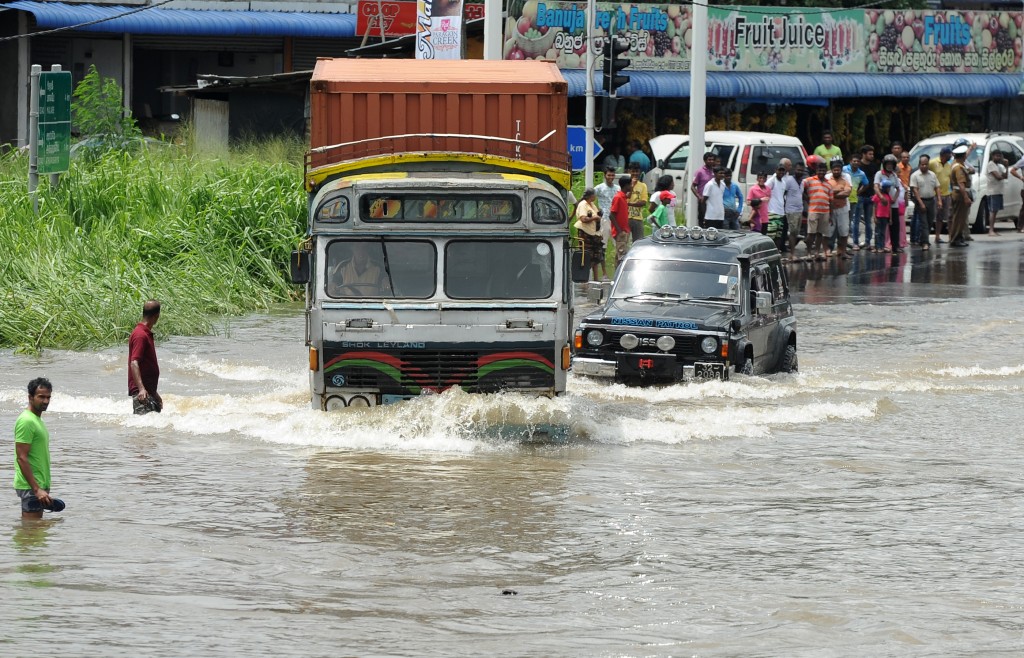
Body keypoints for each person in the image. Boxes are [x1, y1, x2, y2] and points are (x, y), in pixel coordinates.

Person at [14, 377, 62, 519]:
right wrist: (36, 489)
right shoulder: (26, 421)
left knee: (35, 533)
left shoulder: (37, 420)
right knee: (31, 533)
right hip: (31, 487)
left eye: (48, 397)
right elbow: (21, 457)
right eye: (41, 397)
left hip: (37, 485)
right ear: (30, 397)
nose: (46, 401)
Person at [129, 299, 163, 415]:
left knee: (150, 431)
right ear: (157, 315)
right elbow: (134, 362)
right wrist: (141, 389)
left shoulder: (144, 333)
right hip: (143, 395)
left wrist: (154, 393)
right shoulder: (140, 335)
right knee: (143, 431)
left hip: (149, 393)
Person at [802, 160, 833, 261]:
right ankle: (809, 253)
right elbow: (800, 188)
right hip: (813, 210)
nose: (821, 172)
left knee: (820, 233)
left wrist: (831, 216)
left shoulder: (829, 184)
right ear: (816, 170)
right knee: (811, 233)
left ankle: (817, 253)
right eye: (820, 170)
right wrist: (807, 199)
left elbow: (831, 200)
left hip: (825, 211)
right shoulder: (809, 180)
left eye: (823, 171)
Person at [574, 189, 607, 281]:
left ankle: (596, 279)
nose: (595, 197)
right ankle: (582, 277)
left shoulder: (592, 205)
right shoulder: (583, 205)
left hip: (594, 233)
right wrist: (594, 218)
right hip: (586, 233)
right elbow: (583, 219)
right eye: (594, 195)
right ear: (591, 196)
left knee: (596, 257)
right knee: (588, 257)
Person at [874, 153, 904, 253]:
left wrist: (894, 199)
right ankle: (879, 246)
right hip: (882, 205)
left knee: (895, 226)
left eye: (891, 164)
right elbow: (876, 186)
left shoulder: (894, 175)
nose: (889, 166)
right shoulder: (879, 174)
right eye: (888, 164)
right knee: (880, 227)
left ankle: (896, 246)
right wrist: (881, 197)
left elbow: (898, 188)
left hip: (893, 205)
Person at [909, 154, 940, 250]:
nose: (924, 166)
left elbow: (937, 187)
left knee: (930, 221)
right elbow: (915, 190)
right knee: (924, 223)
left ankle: (923, 239)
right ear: (919, 164)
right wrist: (920, 203)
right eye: (922, 164)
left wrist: (939, 200)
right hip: (921, 201)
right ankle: (925, 243)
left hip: (931, 200)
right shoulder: (915, 175)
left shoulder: (932, 174)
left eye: (926, 164)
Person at [825, 157, 852, 259]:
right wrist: (838, 191)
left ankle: (842, 251)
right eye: (834, 169)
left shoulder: (846, 178)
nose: (836, 171)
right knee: (828, 231)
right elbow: (825, 192)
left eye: (838, 169)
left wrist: (832, 192)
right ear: (831, 169)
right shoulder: (827, 178)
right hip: (830, 208)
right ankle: (827, 250)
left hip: (843, 208)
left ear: (841, 169)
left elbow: (847, 193)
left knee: (844, 231)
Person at [843, 155, 871, 250]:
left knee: (850, 221)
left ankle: (850, 243)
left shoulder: (861, 173)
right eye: (854, 161)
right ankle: (842, 243)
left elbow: (866, 184)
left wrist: (858, 192)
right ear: (850, 161)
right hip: (843, 199)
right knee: (842, 221)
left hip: (854, 200)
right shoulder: (844, 169)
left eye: (857, 161)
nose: (855, 163)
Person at [949, 144, 972, 247]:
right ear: (963, 156)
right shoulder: (959, 168)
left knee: (959, 218)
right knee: (959, 218)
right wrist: (966, 197)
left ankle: (959, 237)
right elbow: (961, 184)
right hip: (960, 195)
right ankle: (955, 239)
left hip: (957, 194)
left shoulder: (955, 164)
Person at [930, 146, 954, 243]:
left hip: (947, 194)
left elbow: (950, 179)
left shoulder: (949, 165)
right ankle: (937, 237)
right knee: (937, 217)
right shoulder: (932, 163)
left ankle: (951, 237)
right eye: (949, 154)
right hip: (935, 194)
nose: (951, 156)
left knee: (949, 217)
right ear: (944, 154)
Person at [610, 175, 632, 267]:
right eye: (630, 184)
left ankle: (616, 275)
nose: (631, 186)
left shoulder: (623, 197)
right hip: (621, 232)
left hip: (624, 230)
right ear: (626, 185)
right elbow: (611, 215)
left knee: (620, 254)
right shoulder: (618, 197)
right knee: (621, 255)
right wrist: (619, 231)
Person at [594, 166, 620, 243]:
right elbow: (589, 198)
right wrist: (596, 210)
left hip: (615, 218)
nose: (611, 177)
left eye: (612, 175)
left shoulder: (618, 188)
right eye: (609, 175)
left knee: (617, 243)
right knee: (603, 242)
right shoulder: (599, 188)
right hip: (604, 219)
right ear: (605, 175)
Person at [984, 150, 1007, 236]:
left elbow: (1006, 175)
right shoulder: (991, 164)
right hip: (993, 191)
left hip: (998, 190)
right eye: (996, 156)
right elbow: (998, 177)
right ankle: (990, 230)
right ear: (992, 156)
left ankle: (992, 229)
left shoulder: (999, 166)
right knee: (992, 211)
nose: (998, 157)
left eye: (999, 156)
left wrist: (1007, 166)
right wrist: (1002, 176)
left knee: (995, 211)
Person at [690, 152, 716, 226]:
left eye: (712, 160)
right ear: (705, 160)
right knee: (703, 220)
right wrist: (699, 197)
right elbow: (692, 186)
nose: (711, 161)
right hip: (703, 200)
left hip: (713, 200)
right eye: (709, 160)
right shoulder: (700, 172)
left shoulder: (715, 171)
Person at [627, 162, 649, 245]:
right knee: (625, 242)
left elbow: (643, 202)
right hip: (626, 217)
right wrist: (632, 186)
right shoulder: (625, 183)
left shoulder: (643, 186)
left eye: (637, 171)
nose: (635, 174)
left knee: (638, 243)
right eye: (633, 171)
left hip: (638, 218)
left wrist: (629, 204)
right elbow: (624, 198)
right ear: (629, 171)